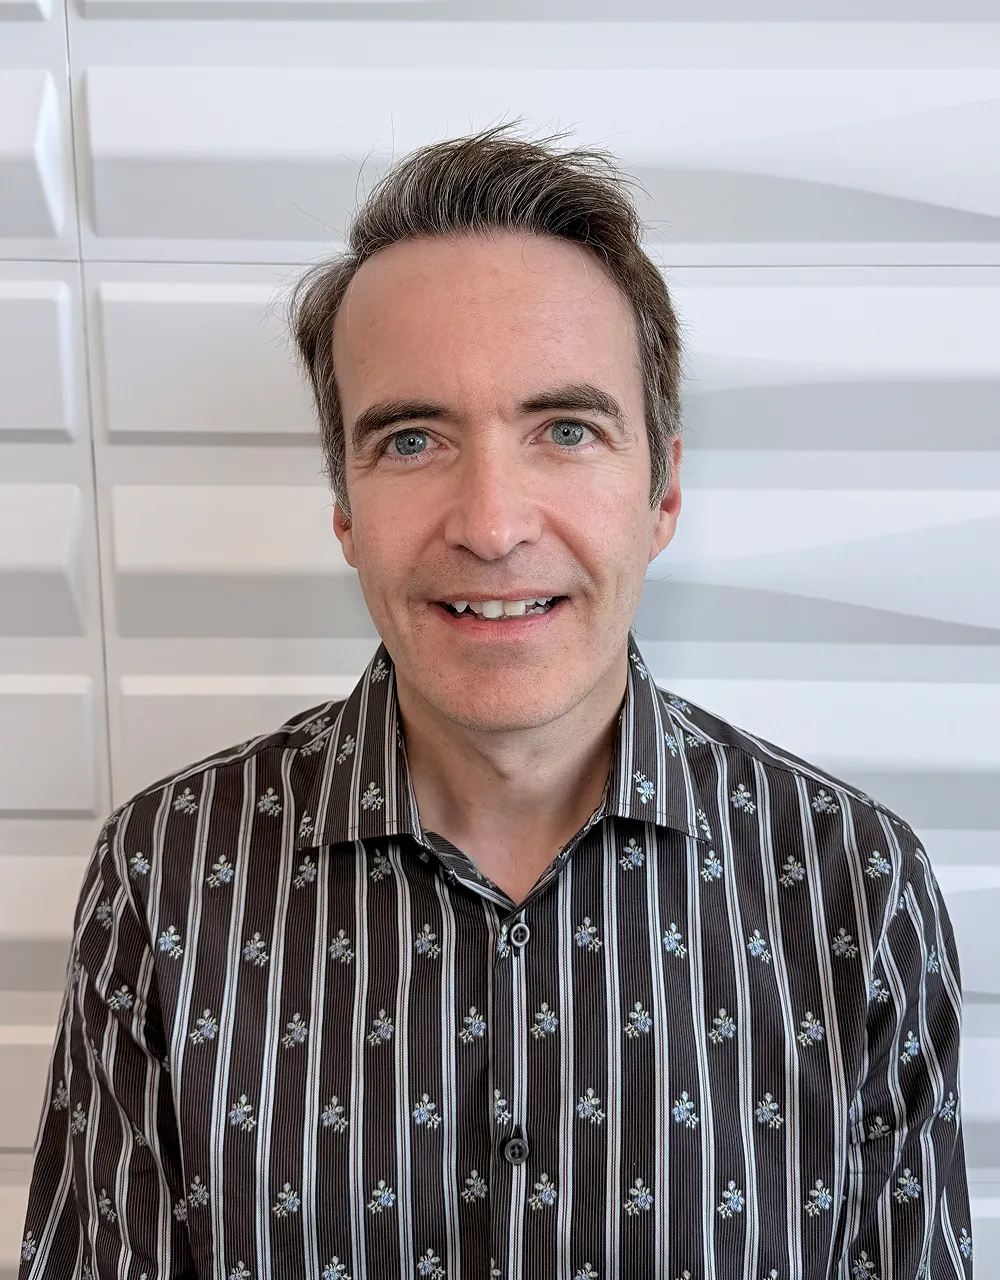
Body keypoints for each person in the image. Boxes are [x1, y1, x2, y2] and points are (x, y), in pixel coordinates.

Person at [18, 122, 972, 1280]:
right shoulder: (163, 873)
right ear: (345, 514)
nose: (492, 521)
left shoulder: (851, 888)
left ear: (661, 492)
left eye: (564, 429)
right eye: (412, 438)